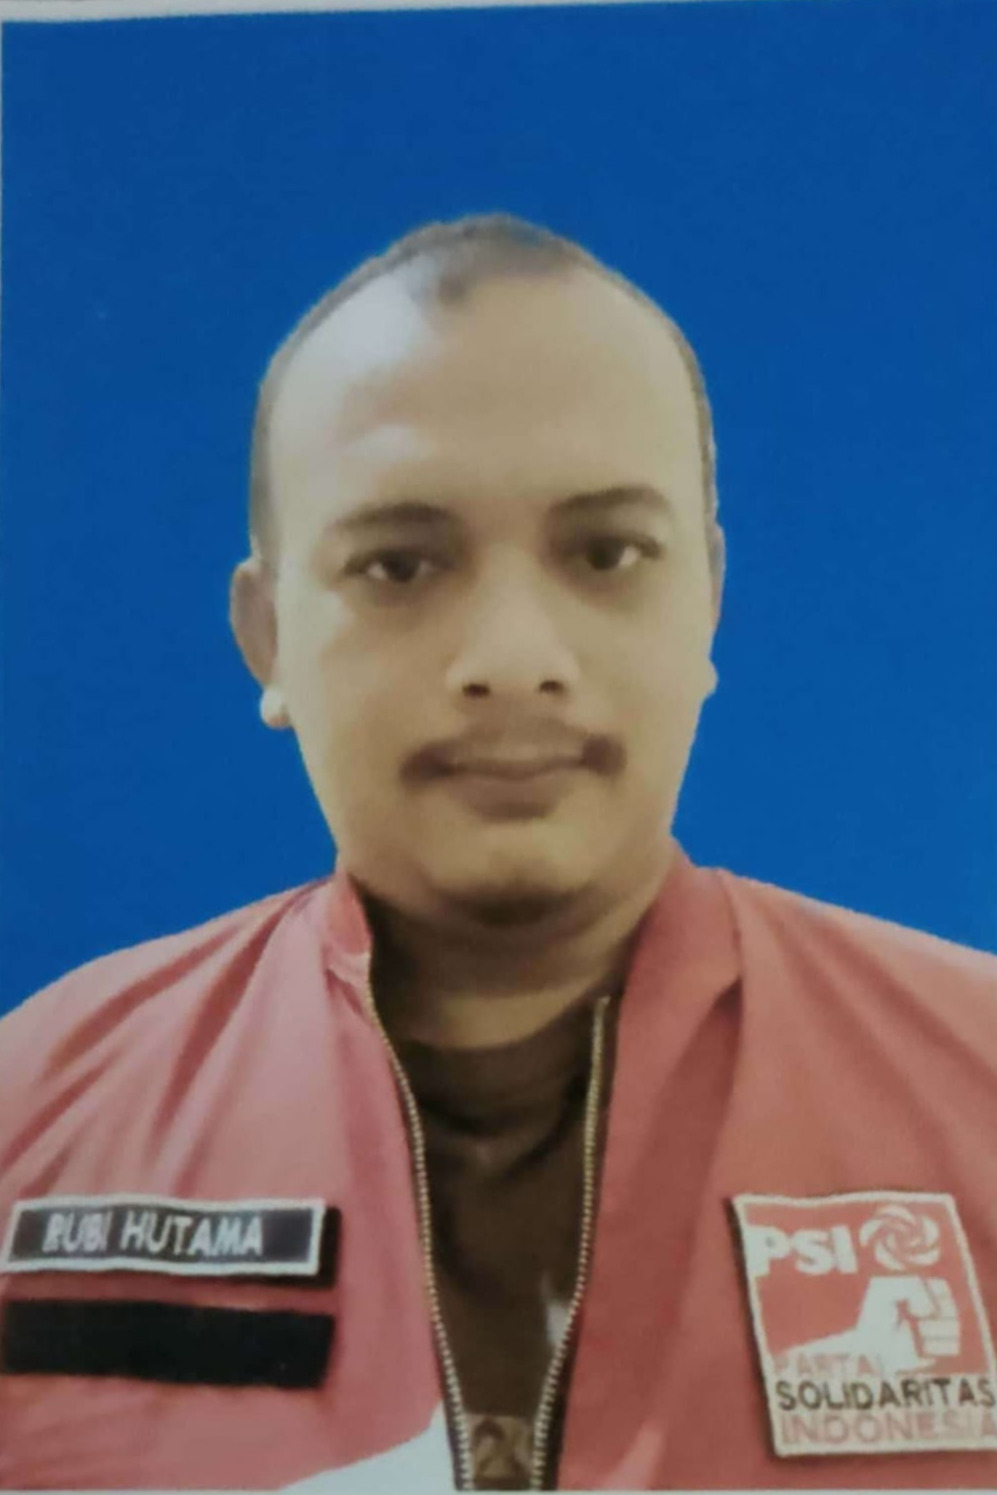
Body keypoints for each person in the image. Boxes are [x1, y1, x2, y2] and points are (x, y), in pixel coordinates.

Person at [0, 213, 995, 1494]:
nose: (514, 655)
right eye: (399, 565)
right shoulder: (36, 1118)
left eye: (606, 553)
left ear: (707, 600)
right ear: (267, 638)